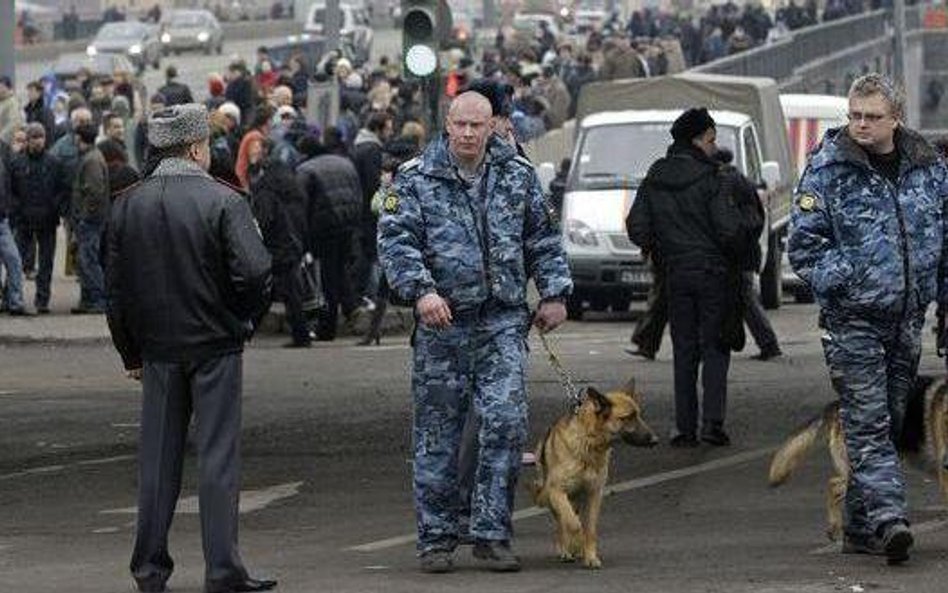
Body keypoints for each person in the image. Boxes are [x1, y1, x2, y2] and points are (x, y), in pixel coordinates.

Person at [377, 92, 572, 573]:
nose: (467, 134)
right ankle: (437, 537)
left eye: (477, 126)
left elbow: (542, 238)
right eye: (460, 125)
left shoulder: (517, 176)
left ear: (493, 127)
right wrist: (421, 292)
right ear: (447, 125)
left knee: (504, 422)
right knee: (438, 433)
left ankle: (491, 532)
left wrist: (553, 293)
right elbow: (396, 242)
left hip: (501, 320)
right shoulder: (415, 178)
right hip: (442, 323)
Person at [106, 104, 276, 593]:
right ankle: (223, 570)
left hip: (157, 349)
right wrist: (242, 320)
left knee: (157, 462)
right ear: (198, 147)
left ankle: (149, 571)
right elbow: (257, 272)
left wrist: (130, 353)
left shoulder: (128, 203)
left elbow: (115, 291)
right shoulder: (223, 200)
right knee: (218, 458)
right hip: (215, 345)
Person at [788, 74, 948, 564]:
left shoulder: (927, 169)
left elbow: (943, 244)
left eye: (872, 116)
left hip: (905, 320)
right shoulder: (826, 169)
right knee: (868, 422)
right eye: (855, 114)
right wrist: (850, 276)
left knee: (895, 415)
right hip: (852, 321)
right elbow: (803, 248)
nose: (860, 124)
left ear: (895, 118)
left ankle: (858, 524)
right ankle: (889, 518)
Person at [627, 108, 733, 448]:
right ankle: (712, 425)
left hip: (674, 273)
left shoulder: (655, 175)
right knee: (715, 348)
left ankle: (683, 428)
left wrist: (659, 245)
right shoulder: (712, 177)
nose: (714, 147)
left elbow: (637, 227)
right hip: (713, 273)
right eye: (711, 140)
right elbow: (729, 230)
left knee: (684, 350)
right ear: (697, 140)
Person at [295, 134, 365, 341]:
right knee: (339, 269)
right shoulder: (345, 162)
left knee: (327, 276)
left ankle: (328, 326)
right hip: (348, 224)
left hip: (324, 228)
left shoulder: (305, 170)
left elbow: (301, 204)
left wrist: (304, 235)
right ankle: (352, 309)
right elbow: (358, 192)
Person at [9, 123, 64, 314]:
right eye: (34, 137)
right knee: (16, 261)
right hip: (23, 220)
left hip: (47, 220)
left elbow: (61, 189)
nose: (38, 141)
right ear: (28, 140)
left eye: (40, 137)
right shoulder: (17, 163)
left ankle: (42, 301)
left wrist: (54, 208)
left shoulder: (54, 163)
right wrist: (17, 210)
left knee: (46, 263)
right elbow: (11, 190)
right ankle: (12, 298)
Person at [71, 122, 109, 314]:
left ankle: (98, 300)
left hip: (90, 220)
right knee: (84, 259)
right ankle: (87, 300)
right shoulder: (91, 157)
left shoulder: (91, 160)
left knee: (88, 260)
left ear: (79, 138)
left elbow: (95, 192)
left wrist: (85, 216)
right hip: (89, 219)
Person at [1, 138, 28, 315]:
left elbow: (13, 176)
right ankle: (14, 302)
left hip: (2, 218)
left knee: (14, 261)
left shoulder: (3, 148)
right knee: (14, 260)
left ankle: (15, 302)